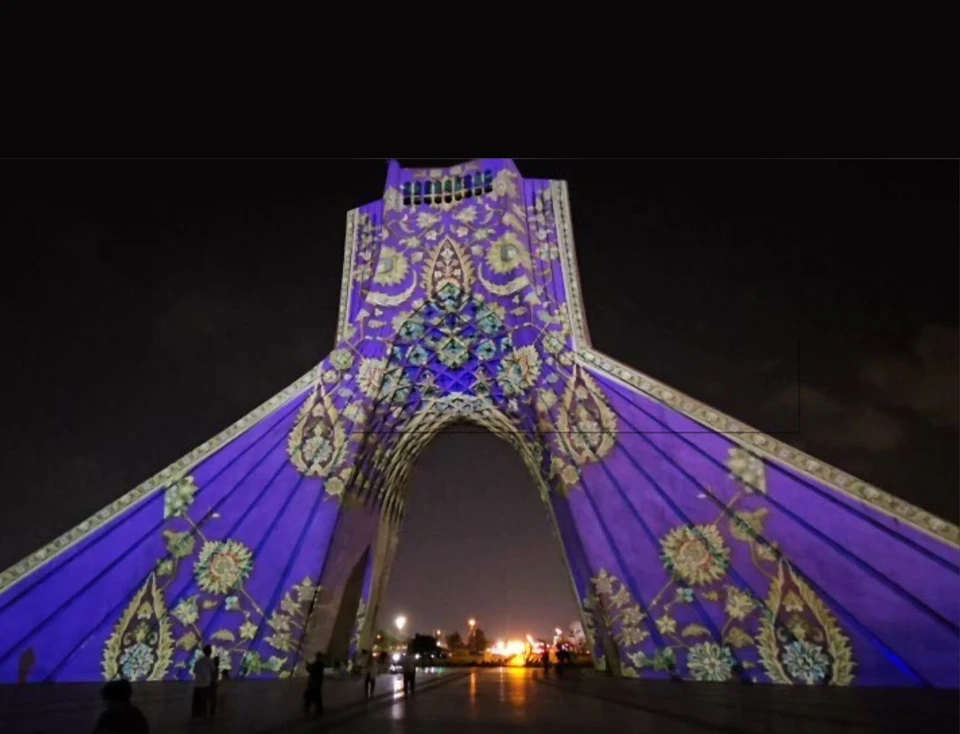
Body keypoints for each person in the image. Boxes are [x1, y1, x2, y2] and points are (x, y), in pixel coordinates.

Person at [191, 645, 216, 719]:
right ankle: (203, 715)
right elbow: (213, 671)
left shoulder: (198, 661)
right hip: (206, 684)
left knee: (196, 701)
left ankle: (195, 715)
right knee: (204, 701)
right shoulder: (210, 661)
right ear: (210, 652)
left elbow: (194, 671)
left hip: (197, 684)